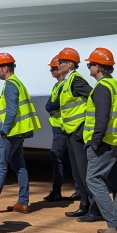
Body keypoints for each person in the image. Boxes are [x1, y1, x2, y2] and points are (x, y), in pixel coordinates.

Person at [0, 53, 40, 215]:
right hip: (19, 132)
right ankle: (23, 202)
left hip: (11, 132)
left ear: (5, 68)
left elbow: (11, 111)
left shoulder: (11, 84)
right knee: (19, 165)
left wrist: (4, 130)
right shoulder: (17, 83)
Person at [82, 47, 117, 233]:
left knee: (93, 180)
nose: (89, 68)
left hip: (104, 143)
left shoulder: (102, 88)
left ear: (97, 67)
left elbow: (102, 117)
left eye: (89, 65)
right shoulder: (115, 85)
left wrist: (94, 142)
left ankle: (114, 225)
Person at [54, 47, 97, 222]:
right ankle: (84, 205)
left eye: (61, 62)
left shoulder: (76, 80)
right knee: (79, 172)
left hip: (78, 132)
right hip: (70, 132)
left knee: (85, 171)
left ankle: (94, 208)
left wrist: (84, 124)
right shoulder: (68, 81)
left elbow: (94, 97)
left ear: (70, 64)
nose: (58, 64)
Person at [42, 55, 79, 203]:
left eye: (54, 68)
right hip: (59, 127)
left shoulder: (65, 84)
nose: (52, 71)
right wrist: (50, 107)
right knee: (70, 159)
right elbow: (49, 105)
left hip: (63, 127)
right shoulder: (57, 85)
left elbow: (53, 105)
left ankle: (59, 191)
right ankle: (78, 190)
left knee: (58, 157)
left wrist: (51, 107)